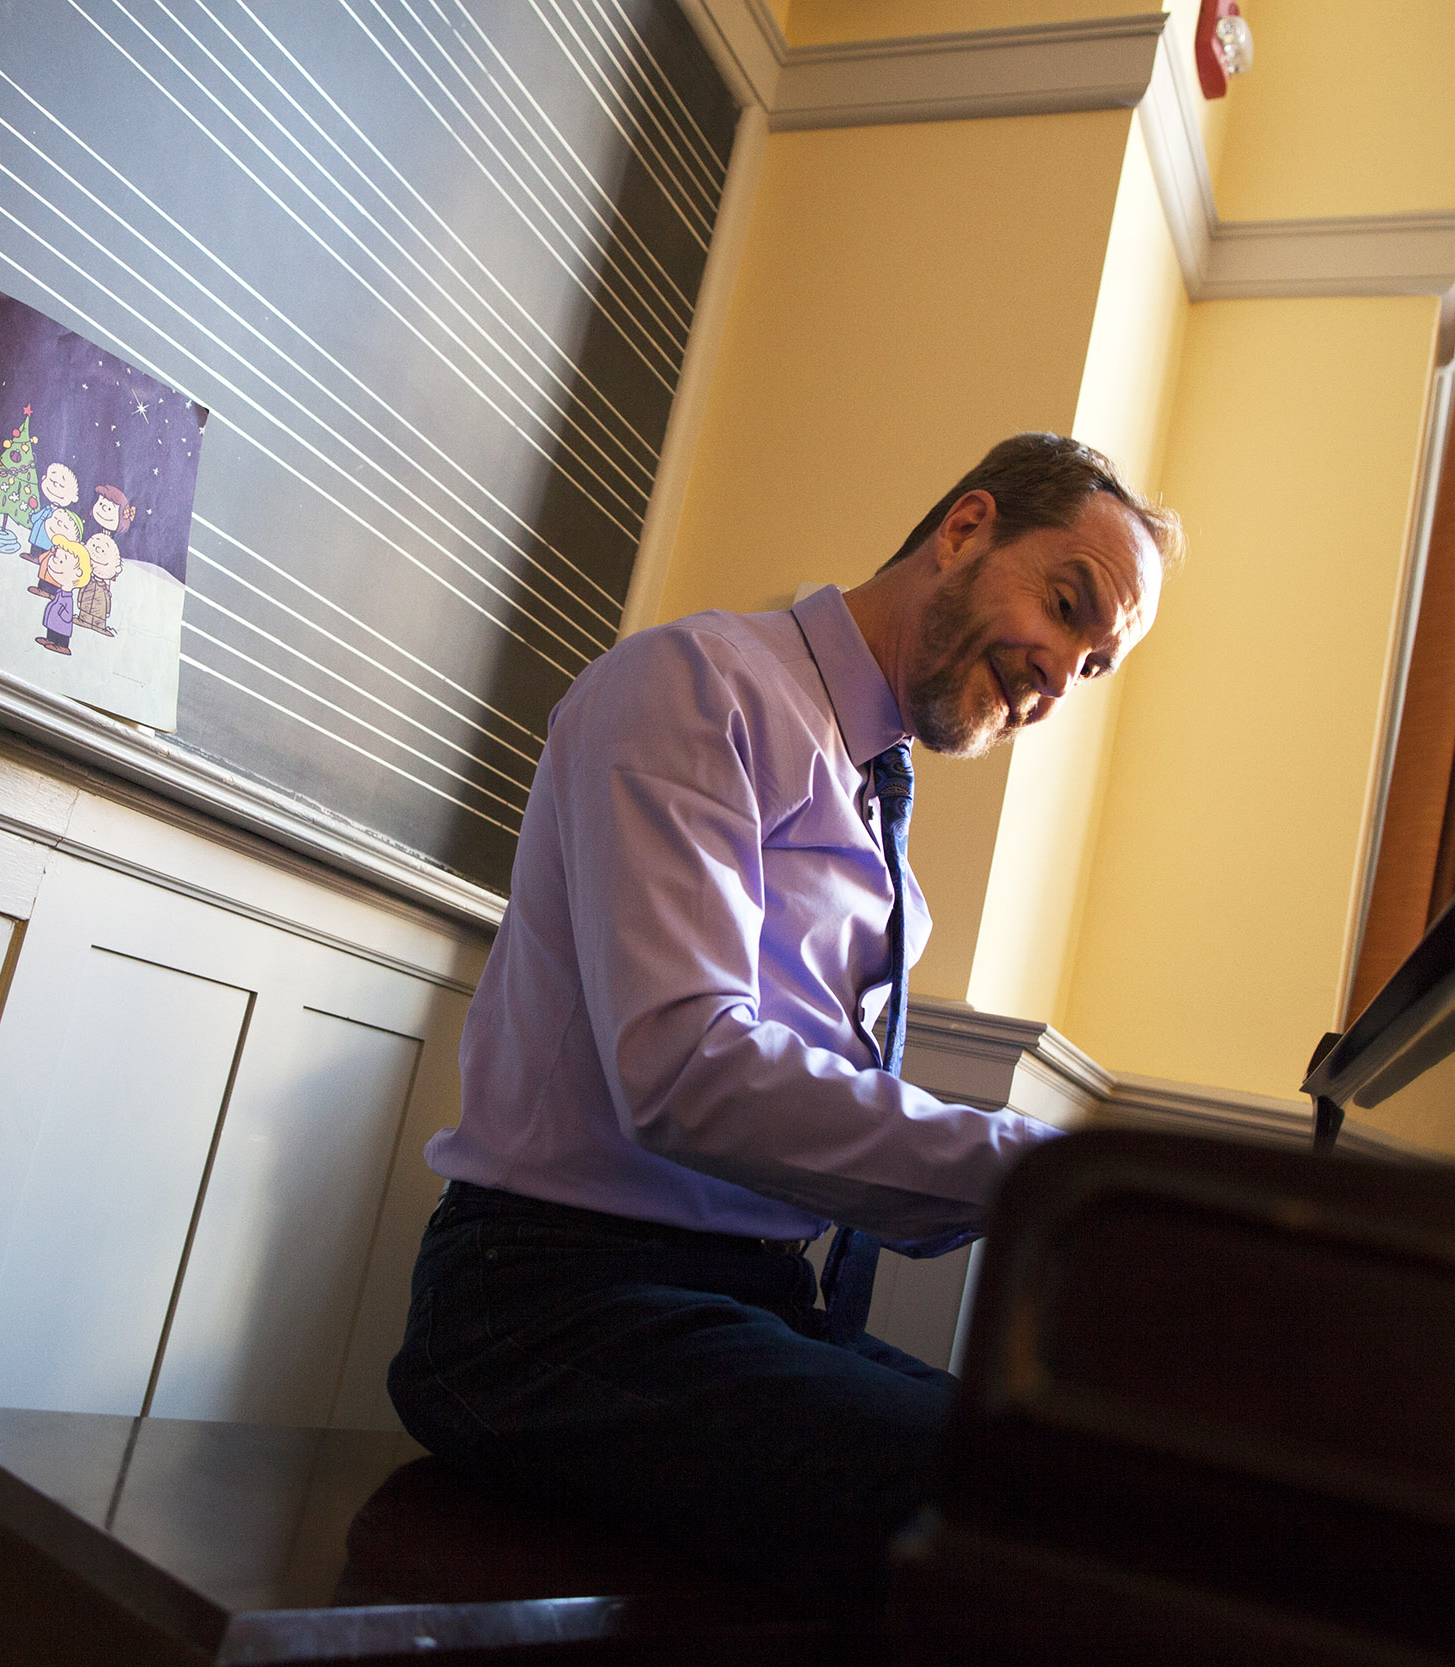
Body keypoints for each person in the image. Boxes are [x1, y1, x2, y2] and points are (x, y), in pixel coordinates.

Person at [386, 433, 1179, 1605]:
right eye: (1066, 607)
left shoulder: (872, 797)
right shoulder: (695, 685)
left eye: (1094, 665)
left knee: (1117, 1489)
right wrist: (1049, 1175)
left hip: (746, 1302)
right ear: (964, 527)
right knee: (1035, 1521)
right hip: (544, 1308)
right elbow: (684, 1070)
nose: (1061, 675)